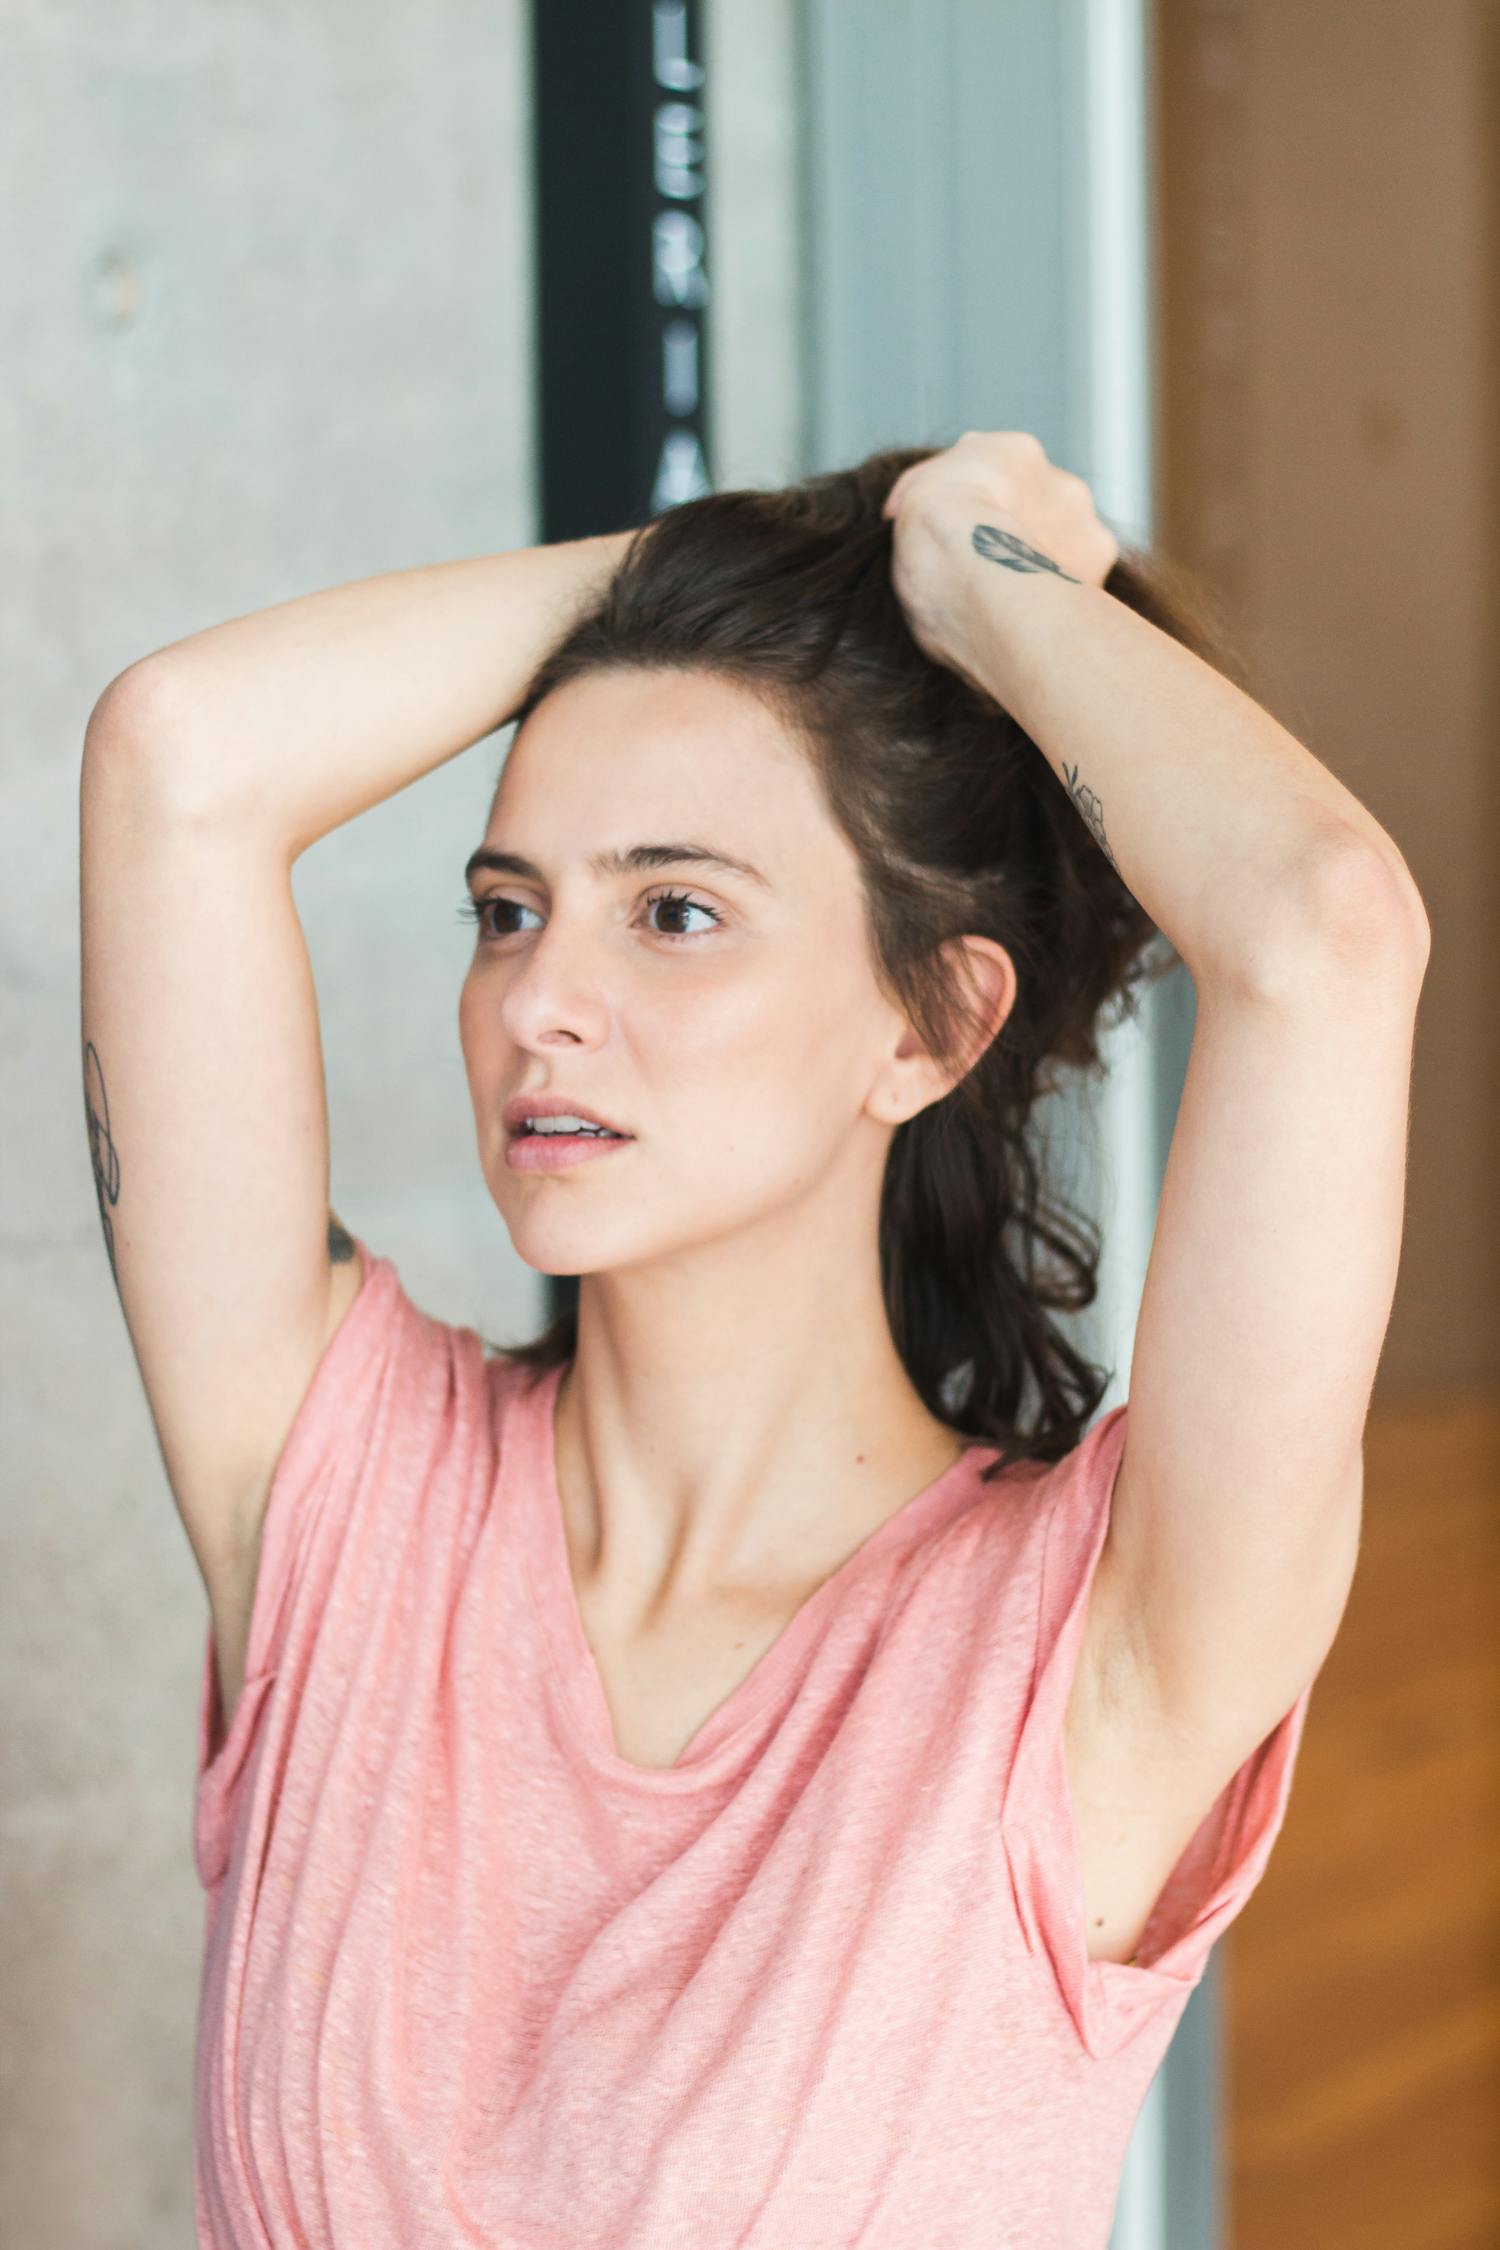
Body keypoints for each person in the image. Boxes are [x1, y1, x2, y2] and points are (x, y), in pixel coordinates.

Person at [79, 431, 1429, 2247]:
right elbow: (176, 754)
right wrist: (778, 563)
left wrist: (961, 573)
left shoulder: (1083, 1656)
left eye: (676, 911)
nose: (540, 1002)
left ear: (930, 1026)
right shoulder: (341, 1496)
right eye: (508, 910)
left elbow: (1326, 928)